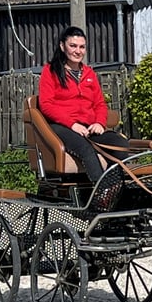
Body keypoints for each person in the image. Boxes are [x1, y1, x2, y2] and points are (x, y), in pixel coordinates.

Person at [38, 26, 130, 209]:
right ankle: (102, 197)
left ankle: (120, 191)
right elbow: (46, 105)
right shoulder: (50, 71)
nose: (77, 51)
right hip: (60, 127)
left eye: (82, 47)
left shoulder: (89, 74)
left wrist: (99, 122)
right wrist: (71, 124)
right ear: (62, 46)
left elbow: (99, 104)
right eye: (73, 46)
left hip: (89, 126)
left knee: (120, 143)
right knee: (86, 149)